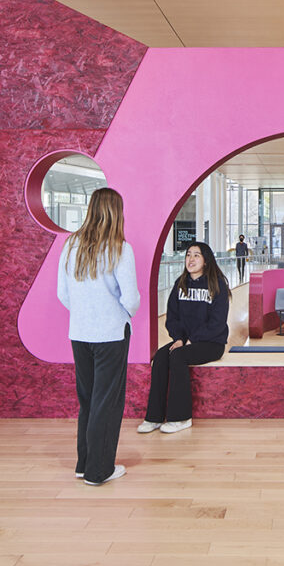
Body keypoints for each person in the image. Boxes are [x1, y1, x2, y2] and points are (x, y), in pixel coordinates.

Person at [56, 188, 139, 486]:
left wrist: (84, 313)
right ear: (117, 211)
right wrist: (122, 315)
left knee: (88, 400)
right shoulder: (120, 248)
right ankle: (99, 470)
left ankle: (84, 463)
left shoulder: (70, 245)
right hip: (111, 334)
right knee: (107, 402)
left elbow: (62, 293)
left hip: (79, 333)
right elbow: (130, 298)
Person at [140, 241, 229, 434]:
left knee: (178, 356)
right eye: (188, 255)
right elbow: (172, 317)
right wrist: (179, 338)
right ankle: (154, 417)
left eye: (197, 255)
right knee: (162, 356)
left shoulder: (217, 285)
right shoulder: (180, 284)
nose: (191, 259)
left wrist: (192, 339)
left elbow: (218, 322)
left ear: (205, 260)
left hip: (211, 342)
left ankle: (181, 418)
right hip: (185, 341)